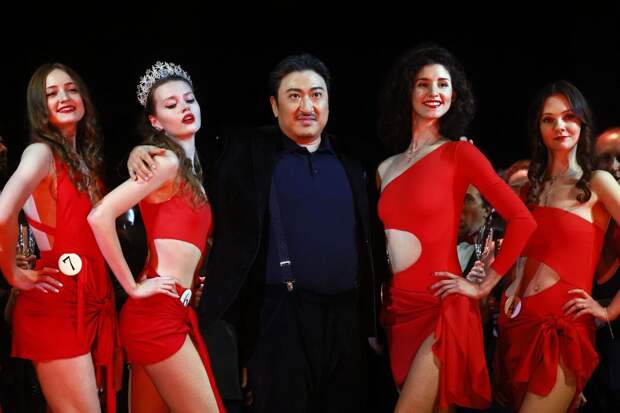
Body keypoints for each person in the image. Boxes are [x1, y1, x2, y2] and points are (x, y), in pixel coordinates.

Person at [128, 53, 385, 413]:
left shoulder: (355, 162)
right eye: (294, 96)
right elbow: (189, 157)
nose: (306, 106)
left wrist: (371, 324)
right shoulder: (246, 152)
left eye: (316, 94)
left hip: (346, 324)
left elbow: (373, 246)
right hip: (278, 321)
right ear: (274, 106)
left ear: (328, 101)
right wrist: (144, 149)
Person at [376, 44, 536, 412]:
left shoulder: (460, 154)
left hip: (442, 306)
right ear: (406, 91)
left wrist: (483, 286)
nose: (434, 92)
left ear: (455, 94)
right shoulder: (385, 168)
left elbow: (522, 220)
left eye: (443, 84)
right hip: (399, 311)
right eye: (423, 83)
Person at [88, 61, 224, 413]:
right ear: (155, 121)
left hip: (171, 311)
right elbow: (100, 215)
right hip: (156, 315)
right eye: (171, 104)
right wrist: (132, 288)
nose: (184, 108)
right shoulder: (165, 163)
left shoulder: (192, 171)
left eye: (189, 100)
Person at [0, 63, 120, 413]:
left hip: (92, 299)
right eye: (51, 94)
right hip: (56, 305)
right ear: (40, 107)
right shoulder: (40, 153)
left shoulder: (85, 163)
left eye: (71, 89)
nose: (64, 97)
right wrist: (11, 272)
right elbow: (3, 212)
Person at [496, 81, 620, 412]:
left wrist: (609, 311)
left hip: (562, 330)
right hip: (516, 326)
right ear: (538, 129)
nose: (559, 126)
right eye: (548, 119)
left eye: (568, 117)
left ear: (582, 122)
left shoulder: (598, 182)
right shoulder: (530, 190)